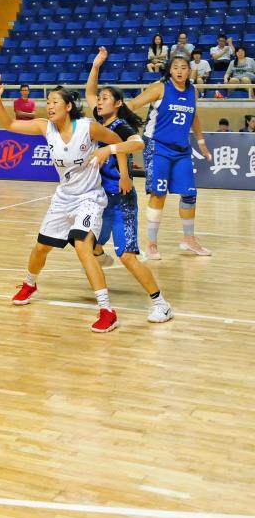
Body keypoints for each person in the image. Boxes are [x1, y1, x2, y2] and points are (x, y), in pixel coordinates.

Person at [0, 77, 126, 332]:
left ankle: (107, 311)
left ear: (68, 106)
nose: (49, 106)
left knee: (83, 247)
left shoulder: (87, 128)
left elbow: (118, 141)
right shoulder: (45, 127)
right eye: (48, 102)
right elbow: (9, 124)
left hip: (89, 198)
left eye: (55, 102)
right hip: (64, 197)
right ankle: (30, 284)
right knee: (41, 248)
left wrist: (118, 167)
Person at [85, 48, 173, 323]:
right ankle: (99, 253)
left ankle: (161, 303)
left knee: (127, 255)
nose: (99, 101)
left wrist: (112, 154)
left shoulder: (122, 126)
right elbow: (90, 93)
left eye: (105, 98)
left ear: (118, 104)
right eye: (100, 99)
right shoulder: (101, 120)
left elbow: (137, 144)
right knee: (83, 242)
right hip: (99, 198)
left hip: (120, 198)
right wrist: (96, 66)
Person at [128, 55, 214, 259]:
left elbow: (193, 116)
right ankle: (151, 244)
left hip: (181, 149)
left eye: (184, 67)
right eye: (176, 67)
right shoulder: (159, 88)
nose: (180, 71)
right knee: (158, 194)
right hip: (157, 146)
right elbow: (132, 105)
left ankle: (189, 239)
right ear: (170, 70)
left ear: (189, 70)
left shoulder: (193, 91)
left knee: (189, 194)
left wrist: (202, 142)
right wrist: (125, 130)